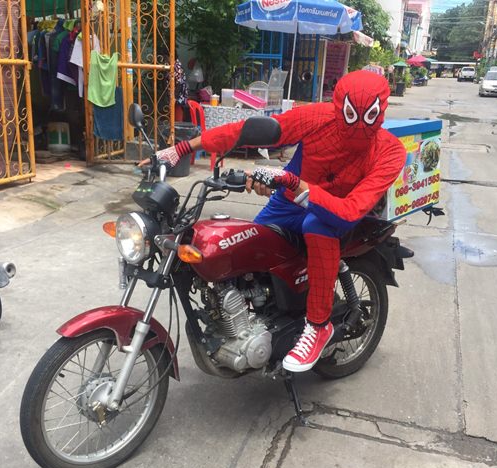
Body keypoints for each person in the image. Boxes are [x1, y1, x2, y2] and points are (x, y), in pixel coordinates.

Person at [147, 71, 406, 372]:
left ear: (380, 111)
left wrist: (291, 181)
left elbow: (349, 209)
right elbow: (246, 130)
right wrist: (180, 149)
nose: (358, 126)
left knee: (316, 225)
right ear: (339, 105)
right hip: (288, 202)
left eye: (368, 116)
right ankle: (257, 325)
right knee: (250, 251)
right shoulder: (317, 117)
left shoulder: (390, 152)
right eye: (350, 115)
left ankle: (318, 326)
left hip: (334, 214)